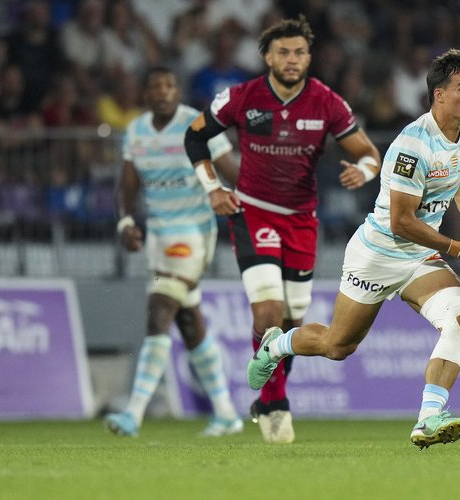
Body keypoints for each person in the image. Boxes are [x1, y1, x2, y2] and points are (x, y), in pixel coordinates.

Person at [245, 48, 460, 449]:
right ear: (438, 94)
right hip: (377, 254)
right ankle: (276, 344)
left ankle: (429, 418)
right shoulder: (412, 146)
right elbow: (401, 221)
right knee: (337, 346)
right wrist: (459, 248)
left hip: (420, 257)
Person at [183, 16, 382, 444]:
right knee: (268, 313)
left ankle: (269, 393)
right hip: (253, 213)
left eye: (299, 52)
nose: (292, 59)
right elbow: (194, 137)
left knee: (292, 323)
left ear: (309, 57)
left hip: (302, 222)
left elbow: (369, 154)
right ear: (267, 57)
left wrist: (364, 172)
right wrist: (213, 188)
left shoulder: (327, 102)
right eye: (283, 52)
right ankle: (275, 403)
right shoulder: (241, 97)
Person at [105, 66, 242, 438]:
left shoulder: (198, 125)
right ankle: (226, 413)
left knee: (160, 309)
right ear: (146, 94)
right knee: (188, 322)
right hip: (158, 239)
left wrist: (260, 202)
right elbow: (127, 185)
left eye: (169, 85)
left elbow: (232, 172)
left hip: (193, 234)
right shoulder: (136, 131)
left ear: (177, 91)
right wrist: (125, 222)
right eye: (155, 86)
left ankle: (133, 413)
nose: (163, 91)